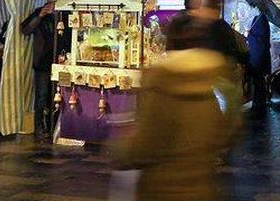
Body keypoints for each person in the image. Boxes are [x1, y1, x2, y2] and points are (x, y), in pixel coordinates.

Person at [112, 47, 239, 201]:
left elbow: (143, 146)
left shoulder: (162, 90)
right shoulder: (211, 89)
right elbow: (227, 131)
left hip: (163, 190)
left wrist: (120, 148)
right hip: (202, 189)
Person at [21, 1, 71, 139]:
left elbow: (71, 36)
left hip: (62, 63)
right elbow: (25, 30)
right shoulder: (40, 12)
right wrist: (40, 15)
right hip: (42, 63)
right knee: (42, 96)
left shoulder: (65, 13)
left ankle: (56, 126)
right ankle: (40, 127)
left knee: (60, 94)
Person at [247, 11, 271, 114]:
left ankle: (258, 104)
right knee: (259, 81)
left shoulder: (260, 20)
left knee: (258, 81)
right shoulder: (261, 19)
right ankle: (259, 102)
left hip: (257, 57)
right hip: (260, 57)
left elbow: (260, 39)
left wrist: (250, 34)